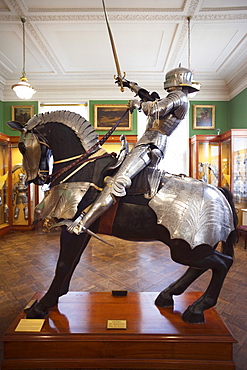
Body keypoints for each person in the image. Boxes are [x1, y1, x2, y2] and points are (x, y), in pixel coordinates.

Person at [66, 66, 200, 235]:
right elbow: (146, 95)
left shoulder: (178, 96)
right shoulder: (175, 97)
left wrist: (138, 104)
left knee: (117, 181)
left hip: (151, 144)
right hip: (149, 143)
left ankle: (82, 224)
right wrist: (129, 85)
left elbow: (154, 108)